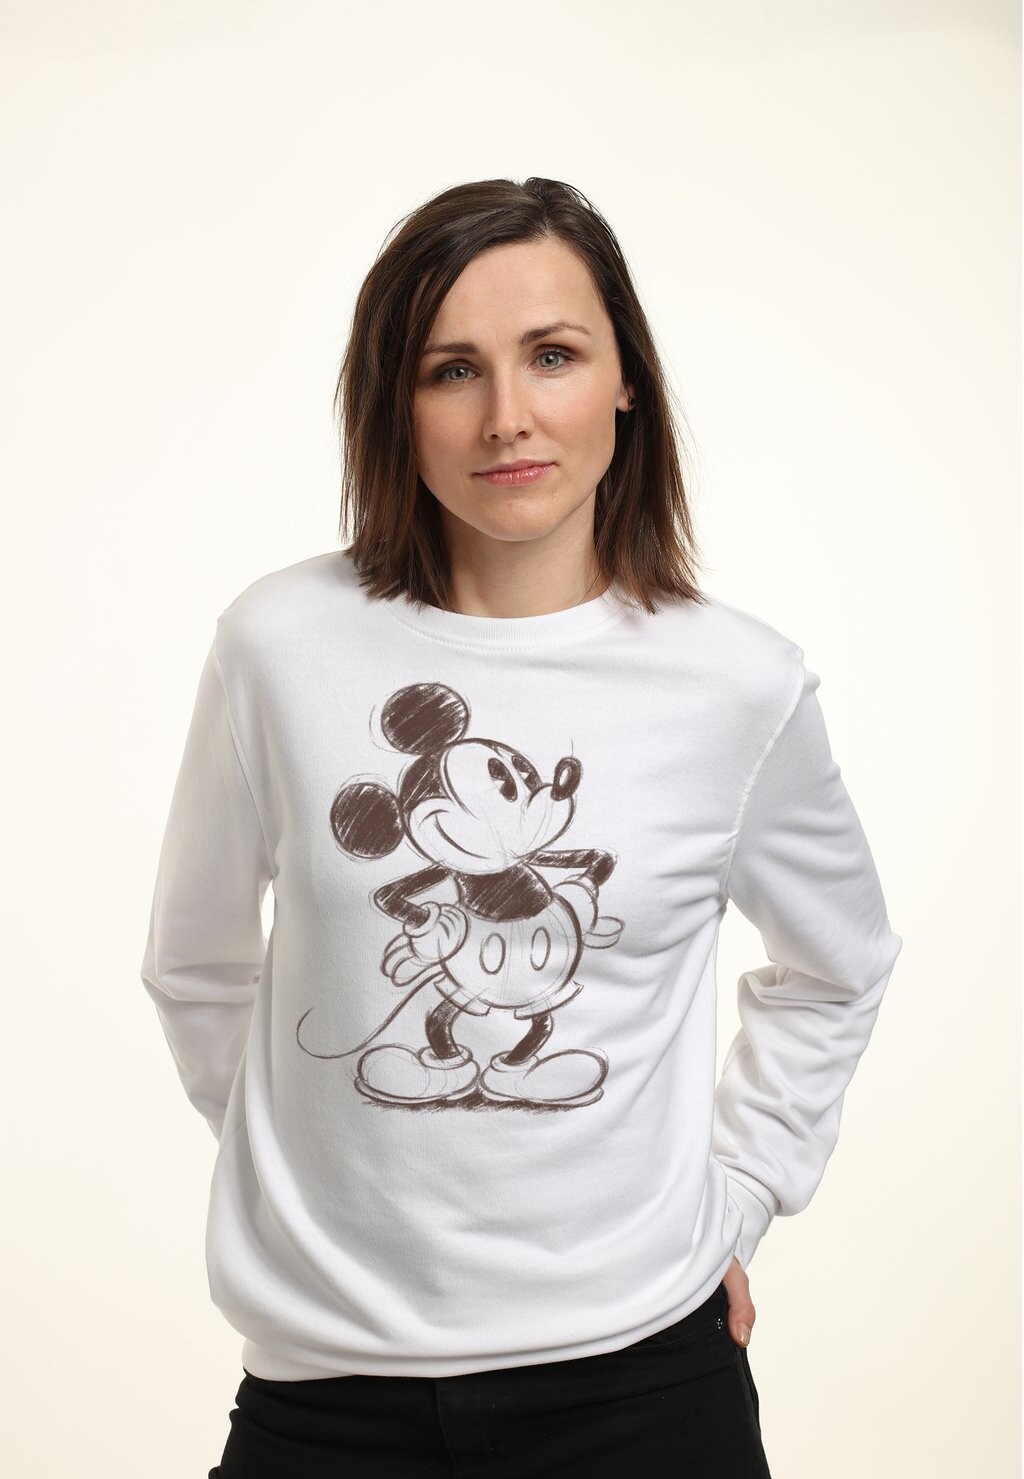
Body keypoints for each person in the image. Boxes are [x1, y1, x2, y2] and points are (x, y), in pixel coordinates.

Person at [140, 176, 903, 1479]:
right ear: (393, 403)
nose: (507, 416)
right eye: (452, 370)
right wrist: (303, 1175)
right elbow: (195, 962)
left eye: (552, 355)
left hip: (641, 1388)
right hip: (328, 1394)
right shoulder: (277, 646)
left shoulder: (738, 687)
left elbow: (840, 967)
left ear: (625, 380)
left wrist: (741, 1193)